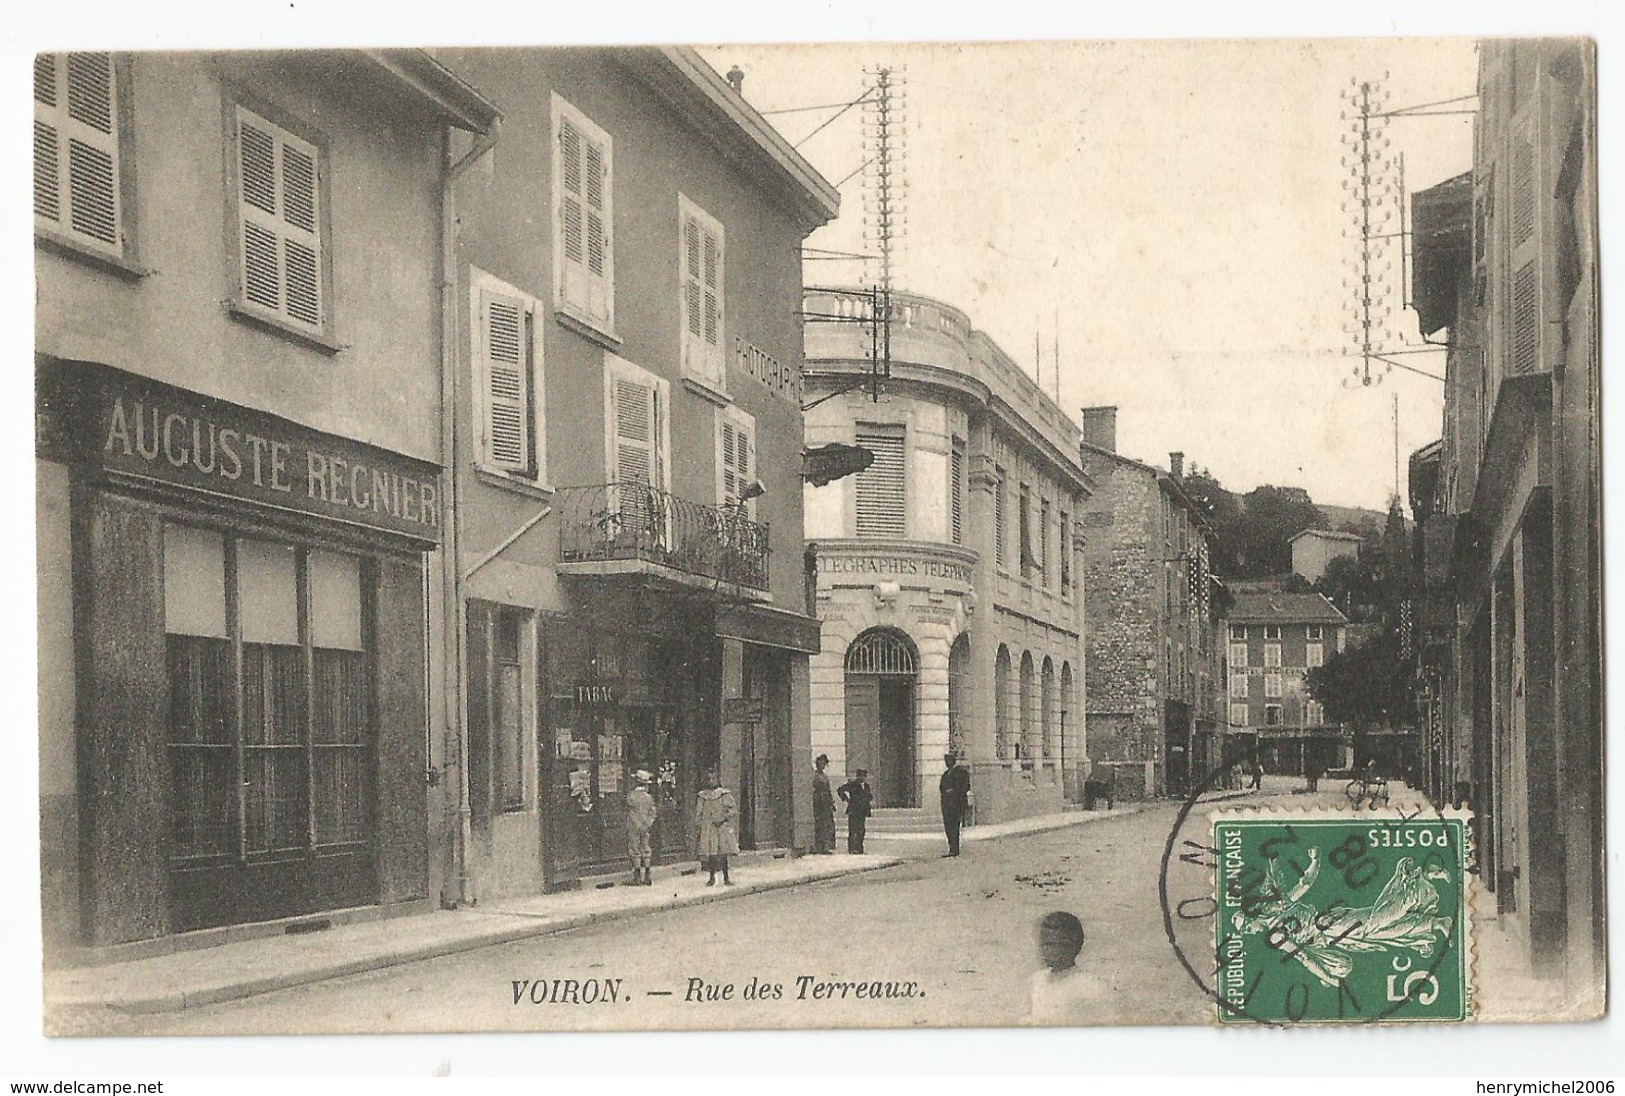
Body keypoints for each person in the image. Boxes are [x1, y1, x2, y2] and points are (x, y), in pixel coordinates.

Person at [1028, 911, 1115, 1024]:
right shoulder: (1037, 980)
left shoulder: (1089, 985)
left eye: (1059, 944)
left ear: (1075, 946)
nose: (1051, 951)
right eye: (1047, 944)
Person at [694, 768, 739, 886]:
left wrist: (724, 817)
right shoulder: (703, 796)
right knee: (711, 854)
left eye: (713, 778)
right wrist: (699, 825)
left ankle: (726, 878)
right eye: (709, 779)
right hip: (709, 828)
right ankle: (711, 878)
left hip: (721, 827)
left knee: (723, 853)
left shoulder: (724, 794)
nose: (711, 781)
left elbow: (733, 810)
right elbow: (698, 813)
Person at [624, 770, 657, 886]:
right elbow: (653, 813)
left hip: (634, 826)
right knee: (646, 848)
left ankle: (637, 877)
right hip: (645, 827)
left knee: (634, 849)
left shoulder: (631, 797)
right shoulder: (648, 798)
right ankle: (647, 876)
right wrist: (647, 824)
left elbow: (627, 808)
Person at [939, 751, 971, 857]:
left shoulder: (961, 773)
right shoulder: (945, 775)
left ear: (953, 761)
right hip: (947, 805)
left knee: (955, 827)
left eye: (948, 761)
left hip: (956, 804)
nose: (947, 763)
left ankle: (955, 849)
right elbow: (941, 788)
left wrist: (953, 791)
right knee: (948, 827)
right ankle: (951, 848)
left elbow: (965, 787)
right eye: (946, 761)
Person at [836, 768, 874, 854]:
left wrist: (868, 800)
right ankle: (852, 848)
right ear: (857, 776)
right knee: (853, 830)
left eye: (864, 776)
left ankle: (860, 848)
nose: (862, 778)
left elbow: (869, 795)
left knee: (861, 830)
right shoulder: (852, 784)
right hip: (854, 810)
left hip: (863, 811)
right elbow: (840, 790)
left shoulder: (866, 786)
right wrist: (846, 799)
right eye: (860, 776)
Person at [811, 754, 836, 854]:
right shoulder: (814, 776)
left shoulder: (825, 777)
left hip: (825, 803)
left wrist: (831, 802)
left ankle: (826, 846)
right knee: (819, 824)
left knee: (827, 825)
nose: (822, 765)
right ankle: (818, 846)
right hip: (818, 802)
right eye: (820, 763)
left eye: (824, 764)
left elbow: (828, 791)